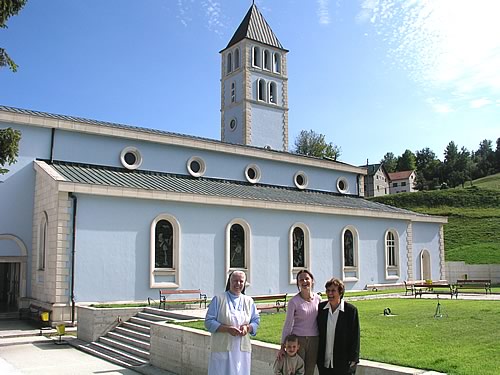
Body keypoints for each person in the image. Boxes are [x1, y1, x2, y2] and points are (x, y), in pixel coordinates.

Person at [204, 270, 260, 374]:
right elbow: (208, 322)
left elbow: (256, 321)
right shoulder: (219, 299)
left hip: (241, 351)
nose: (238, 284)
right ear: (230, 281)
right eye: (235, 281)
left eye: (241, 281)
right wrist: (227, 329)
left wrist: (248, 328)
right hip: (222, 348)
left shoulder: (249, 301)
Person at [278, 269, 321, 375]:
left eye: (307, 279)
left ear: (312, 281)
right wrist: (282, 346)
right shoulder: (294, 302)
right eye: (301, 280)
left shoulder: (318, 299)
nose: (304, 281)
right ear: (298, 283)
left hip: (314, 339)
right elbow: (288, 324)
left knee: (310, 370)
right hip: (298, 341)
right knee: (298, 371)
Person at [317, 278, 360, 375]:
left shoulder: (351, 311)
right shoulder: (321, 308)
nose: (330, 293)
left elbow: (355, 336)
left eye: (333, 290)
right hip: (324, 361)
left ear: (340, 292)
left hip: (343, 361)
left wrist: (354, 358)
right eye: (328, 290)